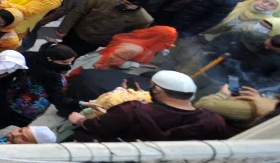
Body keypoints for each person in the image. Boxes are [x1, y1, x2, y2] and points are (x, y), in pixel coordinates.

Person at [69, 70, 233, 141]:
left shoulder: (132, 110)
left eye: (152, 87)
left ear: (158, 90)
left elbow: (99, 126)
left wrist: (80, 120)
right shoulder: (213, 121)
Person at [0, 45, 78, 134]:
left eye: (71, 61)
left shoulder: (29, 57)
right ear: (50, 59)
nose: (69, 65)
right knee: (6, 121)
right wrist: (80, 103)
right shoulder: (55, 77)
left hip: (11, 93)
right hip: (29, 106)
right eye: (65, 62)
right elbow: (57, 98)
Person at [54, 0, 154, 58]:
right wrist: (63, 29)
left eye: (127, 4)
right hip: (77, 31)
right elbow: (78, 11)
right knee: (62, 47)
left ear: (138, 6)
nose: (121, 4)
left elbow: (132, 35)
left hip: (95, 41)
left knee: (74, 55)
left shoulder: (143, 19)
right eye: (121, 0)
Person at [92, 26, 179, 70]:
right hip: (97, 67)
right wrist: (138, 65)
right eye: (167, 41)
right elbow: (113, 62)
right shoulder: (133, 49)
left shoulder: (145, 43)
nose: (169, 44)